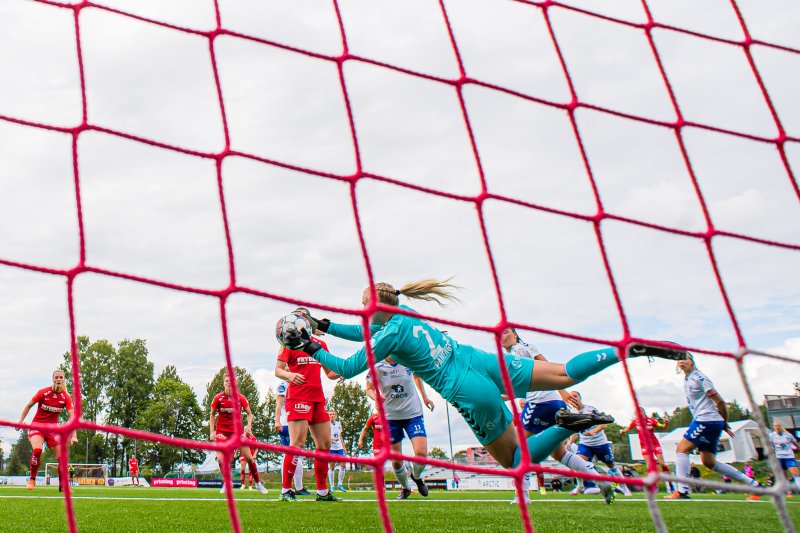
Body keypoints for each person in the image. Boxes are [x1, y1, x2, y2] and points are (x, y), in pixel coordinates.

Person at [283, 280, 686, 479]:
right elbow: (363, 333)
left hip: (468, 392)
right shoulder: (403, 314)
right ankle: (626, 348)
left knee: (515, 461)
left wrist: (310, 345)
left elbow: (350, 367)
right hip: (478, 360)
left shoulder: (388, 332)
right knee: (563, 371)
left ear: (376, 310)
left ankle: (563, 424)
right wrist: (323, 324)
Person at [500, 327, 615, 505]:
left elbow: (520, 386)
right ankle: (599, 479)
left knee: (519, 450)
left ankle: (522, 496)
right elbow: (549, 368)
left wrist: (495, 397)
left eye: (507, 332)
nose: (503, 336)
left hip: (539, 403)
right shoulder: (528, 346)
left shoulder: (516, 351)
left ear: (515, 334)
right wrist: (562, 391)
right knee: (559, 453)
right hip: (555, 403)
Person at [665, 354, 761, 500]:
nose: (682, 361)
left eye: (685, 359)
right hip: (707, 421)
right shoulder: (688, 378)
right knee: (709, 462)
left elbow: (720, 402)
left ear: (692, 362)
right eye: (679, 359)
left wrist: (724, 422)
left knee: (681, 449)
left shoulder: (699, 378)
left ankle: (682, 491)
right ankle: (755, 487)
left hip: (706, 421)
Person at [275, 307, 341, 502]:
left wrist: (343, 372)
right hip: (298, 398)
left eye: (304, 316)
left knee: (324, 445)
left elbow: (330, 373)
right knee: (298, 444)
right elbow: (278, 370)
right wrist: (289, 375)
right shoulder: (289, 344)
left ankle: (322, 492)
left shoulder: (320, 344)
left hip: (318, 399)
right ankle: (286, 490)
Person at [365, 357, 435, 499]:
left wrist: (425, 397)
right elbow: (368, 389)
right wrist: (376, 397)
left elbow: (416, 376)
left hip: (413, 414)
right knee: (396, 462)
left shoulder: (407, 358)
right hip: (390, 418)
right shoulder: (377, 366)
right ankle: (406, 488)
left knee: (421, 454)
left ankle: (416, 477)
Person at [16, 370, 78, 491]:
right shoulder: (43, 392)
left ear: (64, 380)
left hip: (52, 430)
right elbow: (28, 405)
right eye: (56, 377)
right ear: (53, 379)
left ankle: (63, 485)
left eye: (61, 377)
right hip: (37, 427)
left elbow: (72, 416)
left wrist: (74, 435)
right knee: (38, 450)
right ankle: (32, 480)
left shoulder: (66, 397)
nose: (58, 379)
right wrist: (20, 421)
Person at [209, 374, 268, 495]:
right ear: (224, 383)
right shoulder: (218, 398)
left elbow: (249, 414)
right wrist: (212, 431)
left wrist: (248, 426)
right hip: (222, 433)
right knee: (221, 459)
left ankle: (258, 483)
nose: (229, 383)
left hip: (237, 433)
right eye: (226, 381)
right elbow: (212, 414)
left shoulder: (241, 398)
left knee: (250, 459)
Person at [568, 391, 632, 497]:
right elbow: (574, 431)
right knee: (577, 462)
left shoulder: (590, 409)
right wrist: (569, 443)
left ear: (580, 398)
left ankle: (624, 488)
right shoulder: (571, 413)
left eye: (575, 396)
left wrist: (592, 432)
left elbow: (603, 424)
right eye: (571, 397)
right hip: (585, 444)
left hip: (600, 443)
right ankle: (580, 487)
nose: (573, 398)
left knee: (611, 465)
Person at [620, 408, 672, 492]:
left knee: (662, 464)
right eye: (637, 413)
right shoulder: (635, 421)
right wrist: (622, 431)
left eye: (641, 413)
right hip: (645, 446)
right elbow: (627, 429)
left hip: (654, 444)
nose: (640, 415)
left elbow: (662, 426)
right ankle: (653, 486)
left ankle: (670, 484)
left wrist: (666, 423)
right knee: (649, 465)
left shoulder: (651, 420)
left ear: (644, 413)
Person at [274, 380, 309, 495]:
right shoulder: (283, 385)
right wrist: (277, 421)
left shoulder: (299, 383)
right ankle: (288, 488)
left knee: (298, 456)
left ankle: (298, 487)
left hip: (297, 422)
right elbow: (278, 404)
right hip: (286, 424)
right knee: (290, 455)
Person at [769, 421, 800, 497]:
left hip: (789, 457)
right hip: (779, 458)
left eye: (778, 426)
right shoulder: (772, 435)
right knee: (783, 475)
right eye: (775, 426)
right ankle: (789, 492)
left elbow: (796, 444)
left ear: (781, 426)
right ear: (773, 427)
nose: (777, 427)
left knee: (795, 473)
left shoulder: (788, 435)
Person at [328, 409, 347, 492]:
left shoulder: (339, 424)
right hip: (331, 448)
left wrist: (344, 446)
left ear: (335, 415)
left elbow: (340, 436)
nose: (331, 416)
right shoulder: (326, 425)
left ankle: (340, 484)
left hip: (339, 448)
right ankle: (332, 486)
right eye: (330, 414)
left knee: (343, 464)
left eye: (333, 414)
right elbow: (324, 436)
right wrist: (332, 438)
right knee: (332, 466)